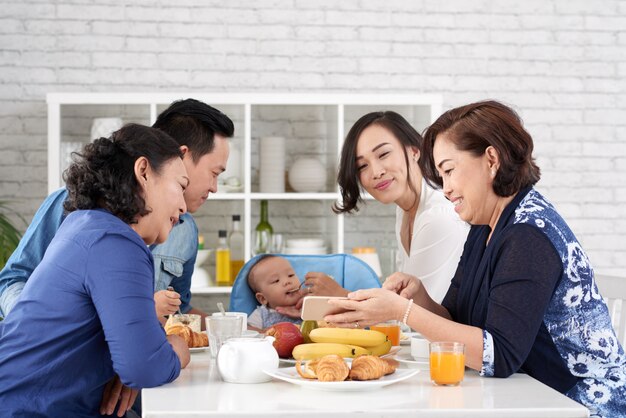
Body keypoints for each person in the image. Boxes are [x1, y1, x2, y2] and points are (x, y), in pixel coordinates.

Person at [324, 101, 625, 417]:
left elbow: (500, 356)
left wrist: (404, 312)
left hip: (582, 406)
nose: (446, 189)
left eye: (450, 171)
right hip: (532, 396)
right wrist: (420, 297)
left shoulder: (528, 234)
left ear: (491, 159)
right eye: (441, 176)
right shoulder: (485, 226)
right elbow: (458, 320)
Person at [0, 124, 191, 417]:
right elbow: (144, 367)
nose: (183, 207)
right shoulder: (116, 241)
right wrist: (178, 348)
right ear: (144, 171)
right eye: (180, 185)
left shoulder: (84, 223)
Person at [0, 98, 234, 325]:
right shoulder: (78, 209)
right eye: (215, 173)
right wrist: (35, 324)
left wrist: (234, 329)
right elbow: (15, 281)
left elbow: (178, 311)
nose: (214, 187)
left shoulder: (186, 230)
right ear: (179, 158)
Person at [332, 111, 469, 302]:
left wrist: (339, 295)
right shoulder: (405, 211)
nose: (376, 172)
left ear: (414, 151)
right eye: (362, 166)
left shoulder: (438, 217)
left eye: (383, 154)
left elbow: (411, 311)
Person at [247, 255, 334, 330]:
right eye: (276, 280)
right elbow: (245, 331)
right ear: (263, 298)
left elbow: (329, 322)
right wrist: (265, 332)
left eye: (290, 275)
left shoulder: (309, 302)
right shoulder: (261, 314)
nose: (287, 281)